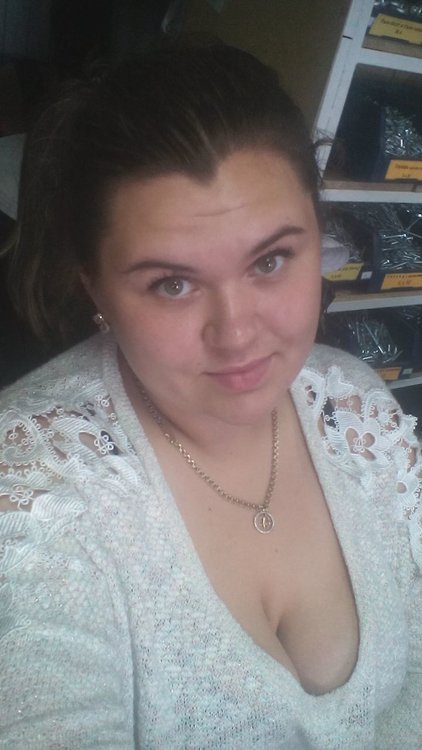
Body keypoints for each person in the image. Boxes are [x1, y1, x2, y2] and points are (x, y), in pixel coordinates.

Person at [0, 42, 420, 750]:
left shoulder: (356, 408)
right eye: (172, 283)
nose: (238, 334)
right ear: (93, 287)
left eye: (270, 260)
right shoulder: (30, 496)